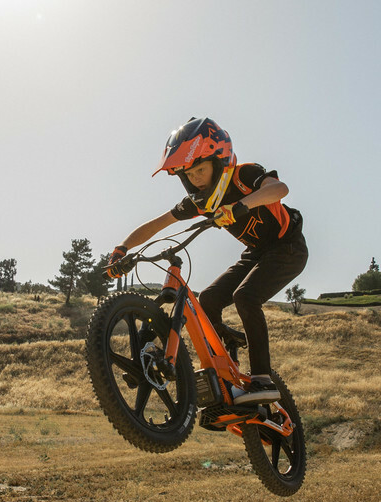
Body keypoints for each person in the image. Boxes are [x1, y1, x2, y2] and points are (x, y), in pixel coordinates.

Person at [108, 117, 308, 406]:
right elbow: (157, 224)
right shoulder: (200, 202)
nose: (195, 179)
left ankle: (263, 380)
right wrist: (122, 248)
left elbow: (279, 189)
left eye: (200, 170)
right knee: (208, 300)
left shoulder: (243, 175)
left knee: (246, 297)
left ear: (219, 162)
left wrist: (240, 206)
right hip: (255, 252)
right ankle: (227, 367)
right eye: (189, 175)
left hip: (287, 246)